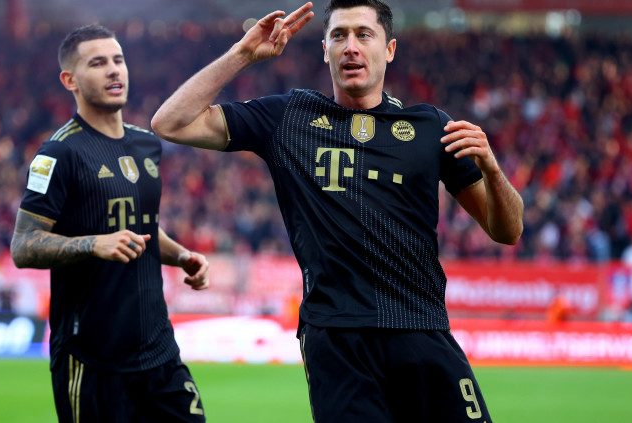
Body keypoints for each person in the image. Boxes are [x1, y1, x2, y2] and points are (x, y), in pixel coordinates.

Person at [152, 1, 524, 421]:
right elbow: (170, 123)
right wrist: (242, 54)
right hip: (337, 340)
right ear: (324, 50)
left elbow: (508, 230)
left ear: (389, 49)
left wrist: (493, 170)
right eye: (339, 36)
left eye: (364, 34)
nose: (351, 47)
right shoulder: (290, 118)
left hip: (422, 329)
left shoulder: (431, 128)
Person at [10, 24, 210, 423]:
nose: (114, 69)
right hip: (91, 360)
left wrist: (181, 255)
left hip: (160, 353)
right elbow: (23, 245)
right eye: (98, 63)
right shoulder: (59, 153)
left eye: (118, 60)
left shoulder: (147, 144)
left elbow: (143, 226)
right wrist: (93, 243)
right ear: (70, 80)